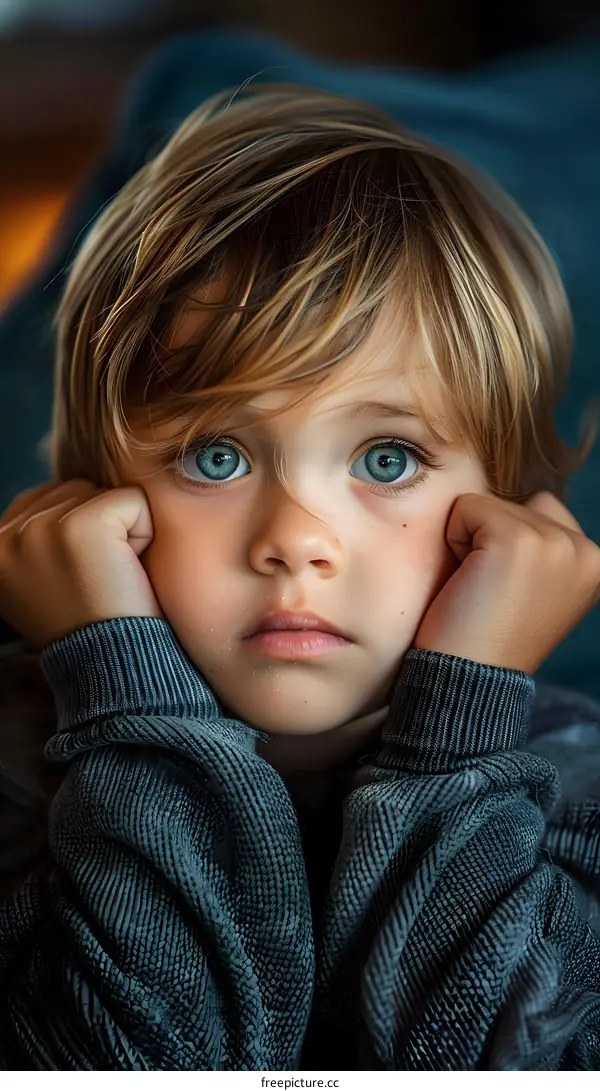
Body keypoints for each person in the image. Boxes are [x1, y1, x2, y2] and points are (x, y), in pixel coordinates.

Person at [1, 84, 600, 1071]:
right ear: (93, 503)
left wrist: (456, 743)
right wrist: (128, 708)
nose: (295, 542)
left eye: (387, 460)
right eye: (217, 457)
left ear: (508, 522)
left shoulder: (576, 794)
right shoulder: (17, 777)